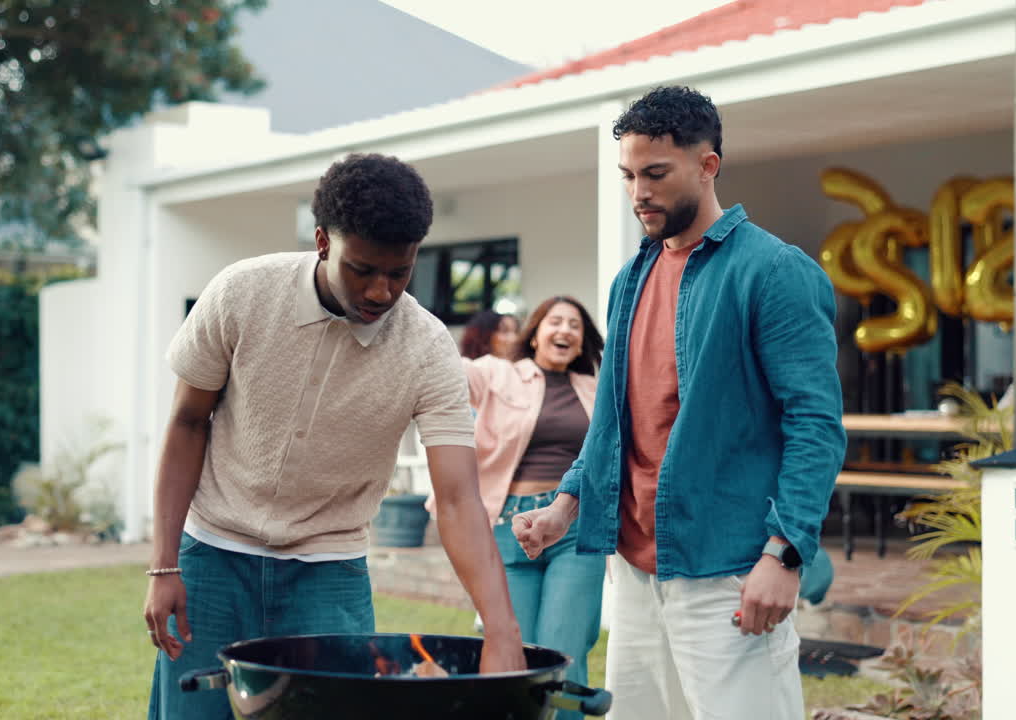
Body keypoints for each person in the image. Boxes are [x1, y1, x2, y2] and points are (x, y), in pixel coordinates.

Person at [144, 153, 525, 720]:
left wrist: (501, 630)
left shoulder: (427, 348)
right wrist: (164, 564)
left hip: (329, 569)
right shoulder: (241, 293)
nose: (380, 291)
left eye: (399, 273)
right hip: (213, 558)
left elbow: (456, 497)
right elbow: (186, 423)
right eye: (363, 269)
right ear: (323, 241)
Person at [513, 86, 846, 720]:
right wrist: (566, 505)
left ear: (708, 164)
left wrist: (785, 552)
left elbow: (816, 427)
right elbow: (614, 418)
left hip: (729, 568)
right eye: (629, 175)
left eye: (656, 174)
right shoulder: (630, 279)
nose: (639, 192)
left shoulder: (774, 271)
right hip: (637, 568)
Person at [447, 296, 606, 720]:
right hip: (506, 527)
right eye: (555, 321)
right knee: (512, 655)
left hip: (574, 526)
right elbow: (449, 373)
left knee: (563, 648)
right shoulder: (498, 373)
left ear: (582, 340)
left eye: (575, 325)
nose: (565, 330)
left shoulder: (598, 386)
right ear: (535, 334)